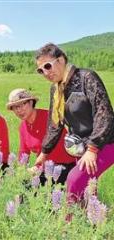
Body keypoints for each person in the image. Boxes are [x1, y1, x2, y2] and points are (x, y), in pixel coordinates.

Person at [34, 43, 114, 204]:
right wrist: (44, 153)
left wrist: (93, 148)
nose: (46, 73)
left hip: (105, 143)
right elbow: (54, 124)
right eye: (41, 70)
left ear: (61, 59)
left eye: (48, 66)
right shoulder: (56, 90)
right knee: (88, 190)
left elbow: (103, 112)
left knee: (74, 180)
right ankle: (93, 225)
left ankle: (67, 225)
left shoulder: (86, 77)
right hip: (80, 147)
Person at [7, 88, 77, 185]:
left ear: (31, 102)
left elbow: (54, 150)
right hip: (45, 169)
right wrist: (20, 172)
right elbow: (23, 153)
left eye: (22, 104)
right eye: (15, 107)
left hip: (66, 167)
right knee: (21, 183)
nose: (19, 110)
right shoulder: (23, 127)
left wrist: (38, 168)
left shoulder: (50, 118)